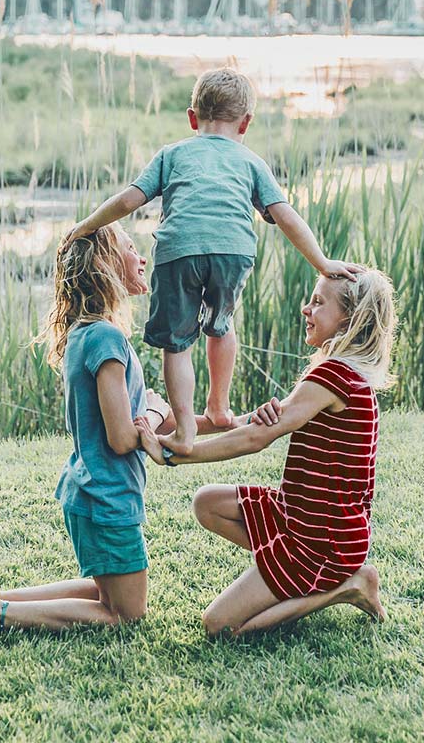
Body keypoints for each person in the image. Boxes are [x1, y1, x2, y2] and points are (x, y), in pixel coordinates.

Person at [63, 67, 360, 457]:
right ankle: (219, 407)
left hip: (179, 250)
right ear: (246, 123)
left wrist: (85, 226)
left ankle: (186, 428)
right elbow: (285, 214)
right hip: (234, 249)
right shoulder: (250, 161)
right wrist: (321, 262)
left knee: (178, 343)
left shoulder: (172, 154)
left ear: (192, 118)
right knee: (221, 326)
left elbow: (127, 201)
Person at [0, 224, 172, 634]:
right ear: (106, 265)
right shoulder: (108, 340)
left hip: (89, 490)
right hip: (108, 496)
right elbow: (123, 438)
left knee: (105, 593)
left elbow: (136, 413)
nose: (142, 257)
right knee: (127, 612)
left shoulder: (85, 334)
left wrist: (217, 420)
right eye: (131, 248)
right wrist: (156, 415)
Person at [137, 267, 396, 636]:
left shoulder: (334, 376)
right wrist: (178, 427)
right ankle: (287, 571)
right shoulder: (339, 373)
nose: (306, 309)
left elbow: (254, 440)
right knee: (207, 503)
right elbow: (250, 426)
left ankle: (347, 586)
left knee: (220, 626)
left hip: (322, 541)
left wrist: (174, 455)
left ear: (349, 321)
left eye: (319, 303)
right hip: (300, 517)